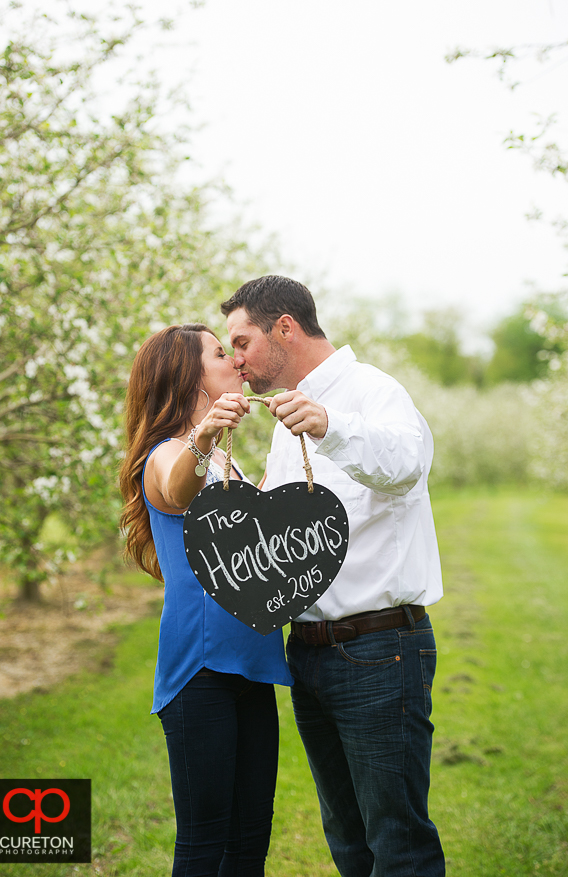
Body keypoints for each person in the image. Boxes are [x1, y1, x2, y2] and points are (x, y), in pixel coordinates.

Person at [221, 277, 445, 877]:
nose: (235, 361)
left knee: (397, 841)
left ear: (285, 328)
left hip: (378, 648)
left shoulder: (372, 391)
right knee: (347, 838)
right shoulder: (281, 417)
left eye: (241, 343)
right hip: (310, 653)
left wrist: (330, 426)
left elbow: (407, 464)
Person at [119, 323, 293, 877]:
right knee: (203, 844)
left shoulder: (226, 460)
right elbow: (176, 488)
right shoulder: (166, 455)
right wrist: (205, 436)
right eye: (221, 353)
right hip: (201, 669)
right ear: (189, 376)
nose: (236, 362)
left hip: (251, 664)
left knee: (249, 840)